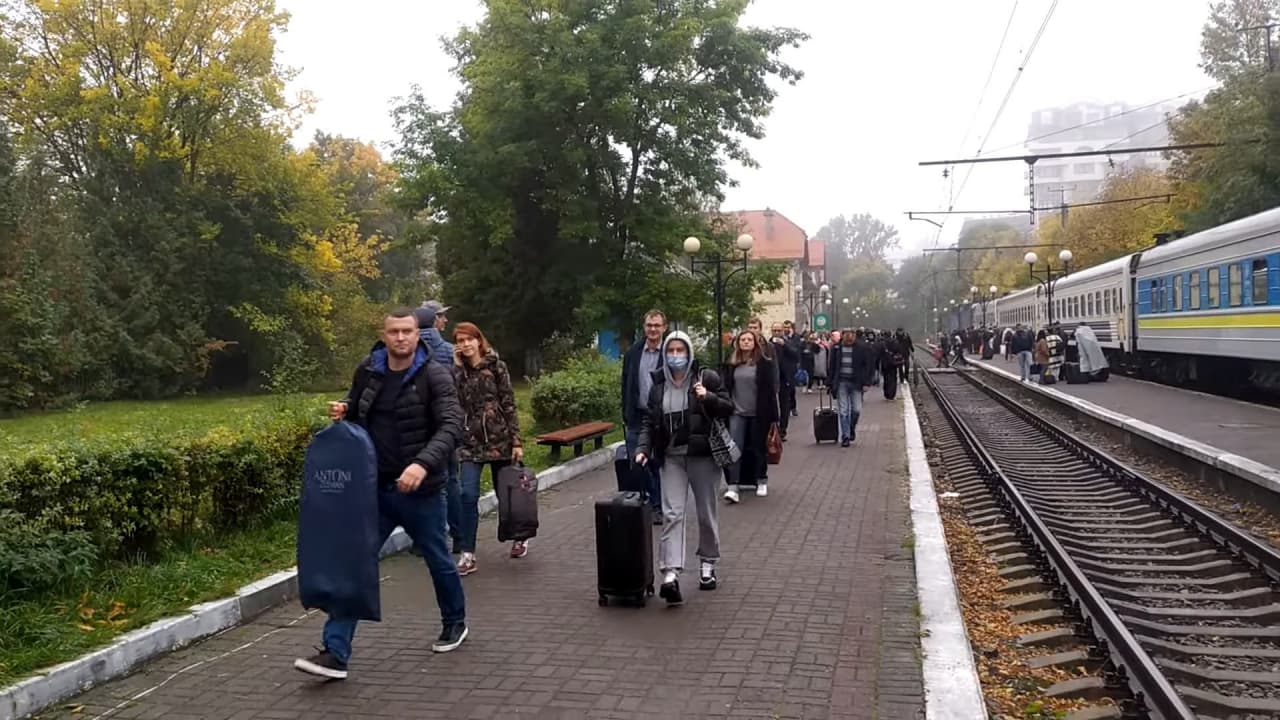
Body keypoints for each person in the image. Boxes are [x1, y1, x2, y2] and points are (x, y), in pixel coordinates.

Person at [295, 308, 467, 681]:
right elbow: (358, 409)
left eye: (407, 331)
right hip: (374, 491)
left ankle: (455, 621)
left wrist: (422, 464)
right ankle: (335, 652)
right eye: (394, 332)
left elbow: (453, 425)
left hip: (424, 492)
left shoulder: (434, 375)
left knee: (438, 559)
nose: (401, 338)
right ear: (384, 334)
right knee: (354, 564)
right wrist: (345, 409)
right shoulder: (368, 370)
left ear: (417, 335)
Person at [635, 331, 733, 604]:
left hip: (702, 456)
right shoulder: (658, 385)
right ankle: (671, 574)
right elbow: (648, 422)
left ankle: (708, 564)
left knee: (705, 512)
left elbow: (728, 407)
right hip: (671, 457)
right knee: (672, 513)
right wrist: (643, 449)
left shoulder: (706, 378)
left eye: (681, 351)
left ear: (689, 354)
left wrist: (708, 398)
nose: (675, 356)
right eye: (671, 350)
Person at [452, 322, 525, 576]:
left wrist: (516, 440)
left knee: (505, 494)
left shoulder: (496, 366)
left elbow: (509, 402)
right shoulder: (458, 372)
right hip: (470, 443)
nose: (464, 345)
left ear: (478, 340)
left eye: (468, 339)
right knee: (467, 495)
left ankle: (519, 537)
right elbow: (453, 404)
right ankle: (467, 553)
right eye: (459, 341)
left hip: (499, 440)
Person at [415, 303, 461, 555]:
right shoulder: (449, 352)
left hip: (416, 428)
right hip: (446, 426)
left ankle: (427, 539)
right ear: (434, 321)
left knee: (424, 484)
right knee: (451, 480)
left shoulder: (407, 352)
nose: (445, 319)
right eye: (441, 315)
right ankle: (458, 535)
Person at [721, 330, 778, 503]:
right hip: (737, 413)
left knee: (758, 447)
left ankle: (761, 480)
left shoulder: (764, 364)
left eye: (749, 340)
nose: (746, 342)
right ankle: (733, 485)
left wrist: (775, 417)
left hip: (758, 413)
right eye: (743, 340)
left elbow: (770, 392)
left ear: (755, 343)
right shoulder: (731, 364)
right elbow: (725, 388)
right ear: (737, 343)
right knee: (734, 449)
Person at [620, 310, 667, 519]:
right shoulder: (633, 352)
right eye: (649, 325)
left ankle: (658, 505)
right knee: (637, 461)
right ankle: (649, 498)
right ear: (644, 327)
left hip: (661, 417)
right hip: (636, 416)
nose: (653, 329)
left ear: (664, 328)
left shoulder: (670, 353)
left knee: (657, 462)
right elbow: (626, 383)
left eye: (657, 325)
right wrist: (626, 411)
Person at [827, 329, 875, 447]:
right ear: (842, 336)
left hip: (856, 383)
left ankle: (851, 427)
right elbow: (831, 366)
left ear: (855, 336)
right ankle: (846, 436)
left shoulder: (862, 348)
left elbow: (868, 366)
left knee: (856, 410)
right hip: (841, 382)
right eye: (847, 335)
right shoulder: (837, 348)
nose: (849, 338)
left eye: (851, 335)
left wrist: (867, 382)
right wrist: (830, 382)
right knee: (843, 411)